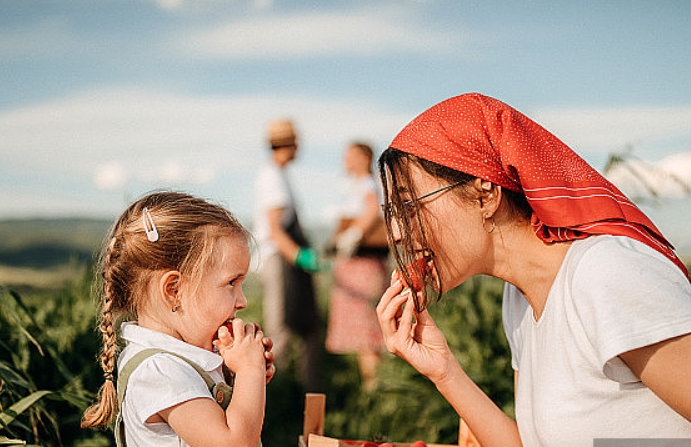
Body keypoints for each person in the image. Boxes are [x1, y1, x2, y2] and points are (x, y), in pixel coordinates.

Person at [375, 93, 691, 446]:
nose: (399, 233)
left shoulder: (603, 273)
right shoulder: (520, 298)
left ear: (485, 195)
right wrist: (444, 370)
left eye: (408, 204)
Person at [81, 191, 275, 447]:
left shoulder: (177, 359)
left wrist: (240, 380)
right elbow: (234, 443)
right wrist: (250, 370)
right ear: (174, 291)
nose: (242, 301)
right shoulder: (160, 372)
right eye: (231, 283)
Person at [253, 119, 322, 392]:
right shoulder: (273, 178)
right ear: (289, 144)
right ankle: (270, 394)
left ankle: (297, 392)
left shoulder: (279, 174)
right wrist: (301, 257)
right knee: (279, 329)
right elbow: (274, 229)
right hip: (279, 258)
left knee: (298, 327)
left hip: (285, 258)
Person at [325, 142, 389, 391]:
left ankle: (373, 389)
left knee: (366, 331)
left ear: (364, 157)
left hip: (362, 263)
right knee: (366, 332)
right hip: (360, 262)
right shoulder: (360, 184)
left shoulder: (366, 184)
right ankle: (374, 386)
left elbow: (373, 209)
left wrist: (353, 233)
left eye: (350, 155)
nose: (346, 161)